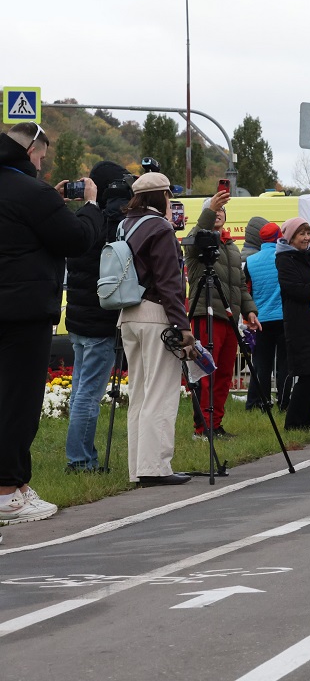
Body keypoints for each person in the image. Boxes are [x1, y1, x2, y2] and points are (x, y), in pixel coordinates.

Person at [0, 123, 104, 523]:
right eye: (41, 159)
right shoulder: (33, 193)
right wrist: (90, 206)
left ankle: (19, 484)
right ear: (29, 153)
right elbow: (76, 239)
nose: (43, 168)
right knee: (19, 403)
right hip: (25, 311)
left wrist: (51, 203)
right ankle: (8, 491)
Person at [117, 172, 196, 486]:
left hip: (128, 314)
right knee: (160, 393)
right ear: (161, 196)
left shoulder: (125, 225)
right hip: (155, 314)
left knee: (138, 393)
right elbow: (169, 282)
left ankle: (138, 469)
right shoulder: (161, 228)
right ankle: (155, 468)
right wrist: (182, 326)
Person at [63, 160, 130, 472]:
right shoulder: (110, 224)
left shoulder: (83, 218)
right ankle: (80, 461)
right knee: (88, 395)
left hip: (78, 319)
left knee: (79, 391)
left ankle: (80, 456)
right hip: (98, 321)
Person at [185, 190, 260, 437]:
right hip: (205, 313)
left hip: (229, 317)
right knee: (205, 373)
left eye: (221, 210)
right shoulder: (196, 241)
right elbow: (195, 238)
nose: (218, 213)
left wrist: (249, 310)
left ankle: (215, 424)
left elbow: (239, 284)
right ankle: (202, 427)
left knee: (225, 374)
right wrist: (209, 210)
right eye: (213, 209)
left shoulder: (231, 246)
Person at [276, 216, 310, 429]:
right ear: (290, 238)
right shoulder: (285, 260)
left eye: (308, 233)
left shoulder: (308, 256)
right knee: (307, 373)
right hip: (299, 323)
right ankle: (294, 422)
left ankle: (307, 420)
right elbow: (294, 289)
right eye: (302, 234)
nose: (307, 238)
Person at [246, 222, 291, 411]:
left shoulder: (250, 261)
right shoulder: (284, 257)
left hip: (261, 319)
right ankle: (284, 402)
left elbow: (247, 290)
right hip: (283, 318)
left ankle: (261, 403)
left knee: (262, 365)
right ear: (278, 236)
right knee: (285, 365)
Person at [240, 215, 271, 411]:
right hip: (252, 315)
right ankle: (256, 401)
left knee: (258, 362)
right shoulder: (252, 260)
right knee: (260, 363)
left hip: (249, 314)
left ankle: (254, 401)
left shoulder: (243, 257)